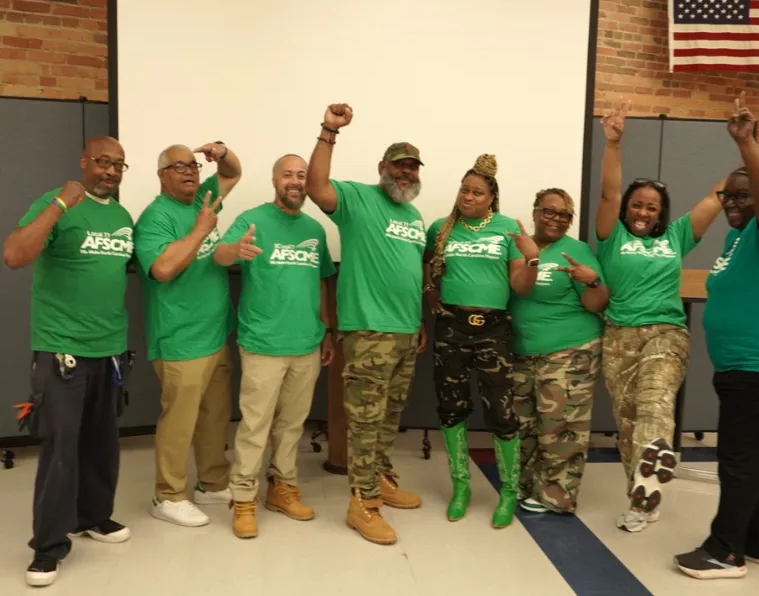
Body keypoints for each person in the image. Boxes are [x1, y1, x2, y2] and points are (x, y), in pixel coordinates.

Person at [674, 104, 759, 580]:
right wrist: (746, 166)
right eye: (728, 195)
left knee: (739, 460)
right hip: (744, 369)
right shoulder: (736, 240)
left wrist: (747, 144)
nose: (732, 203)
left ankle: (726, 551)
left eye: (741, 196)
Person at [3, 137, 134, 587]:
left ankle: (94, 516)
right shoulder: (54, 202)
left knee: (102, 442)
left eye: (119, 165)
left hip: (110, 348)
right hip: (62, 349)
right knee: (61, 449)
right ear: (84, 162)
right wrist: (60, 203)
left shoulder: (121, 216)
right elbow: (15, 255)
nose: (111, 171)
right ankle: (48, 546)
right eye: (103, 162)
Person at [595, 99, 724, 533]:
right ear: (627, 207)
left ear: (661, 213)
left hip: (665, 332)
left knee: (654, 399)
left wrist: (748, 155)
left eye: (652, 207)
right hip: (618, 336)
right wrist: (614, 144)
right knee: (627, 420)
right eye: (637, 204)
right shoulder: (609, 237)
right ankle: (642, 497)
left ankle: (656, 451)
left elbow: (714, 198)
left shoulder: (676, 236)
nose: (643, 212)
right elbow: (609, 192)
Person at [305, 103, 426, 546]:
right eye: (399, 166)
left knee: (390, 416)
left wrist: (416, 323)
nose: (407, 174)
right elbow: (317, 187)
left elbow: (409, 274)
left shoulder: (415, 217)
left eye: (412, 168)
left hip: (404, 332)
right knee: (365, 421)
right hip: (368, 331)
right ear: (383, 168)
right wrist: (328, 132)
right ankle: (362, 503)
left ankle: (380, 480)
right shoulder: (358, 199)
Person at [213, 154, 336, 539]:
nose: (296, 181)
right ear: (274, 180)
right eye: (288, 175)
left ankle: (282, 489)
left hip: (307, 343)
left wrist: (327, 331)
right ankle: (244, 499)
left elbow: (322, 283)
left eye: (302, 175)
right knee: (255, 426)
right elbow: (218, 254)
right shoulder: (254, 220)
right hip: (263, 343)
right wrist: (235, 251)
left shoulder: (316, 229)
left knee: (292, 426)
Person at [422, 154, 538, 528]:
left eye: (476, 192)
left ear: (491, 198)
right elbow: (428, 268)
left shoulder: (508, 229)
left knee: (501, 411)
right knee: (451, 405)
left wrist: (532, 259)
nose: (467, 197)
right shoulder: (441, 228)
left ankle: (507, 491)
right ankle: (461, 487)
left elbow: (519, 286)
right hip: (452, 326)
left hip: (493, 328)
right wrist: (431, 295)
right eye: (464, 189)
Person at [133, 141, 242, 528]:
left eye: (193, 165)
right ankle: (168, 495)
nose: (189, 172)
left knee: (215, 416)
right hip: (180, 339)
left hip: (215, 332)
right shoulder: (155, 218)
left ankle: (211, 484)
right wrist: (200, 230)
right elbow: (162, 269)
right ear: (162, 174)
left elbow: (232, 173)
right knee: (179, 421)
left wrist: (222, 152)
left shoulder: (203, 200)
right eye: (178, 166)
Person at [510, 188, 609, 515]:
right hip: (524, 352)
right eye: (548, 212)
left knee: (560, 427)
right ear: (535, 212)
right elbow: (517, 287)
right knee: (524, 425)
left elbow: (597, 303)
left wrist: (592, 281)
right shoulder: (519, 246)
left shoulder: (577, 250)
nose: (555, 219)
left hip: (570, 350)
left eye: (564, 215)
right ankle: (526, 485)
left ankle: (557, 497)